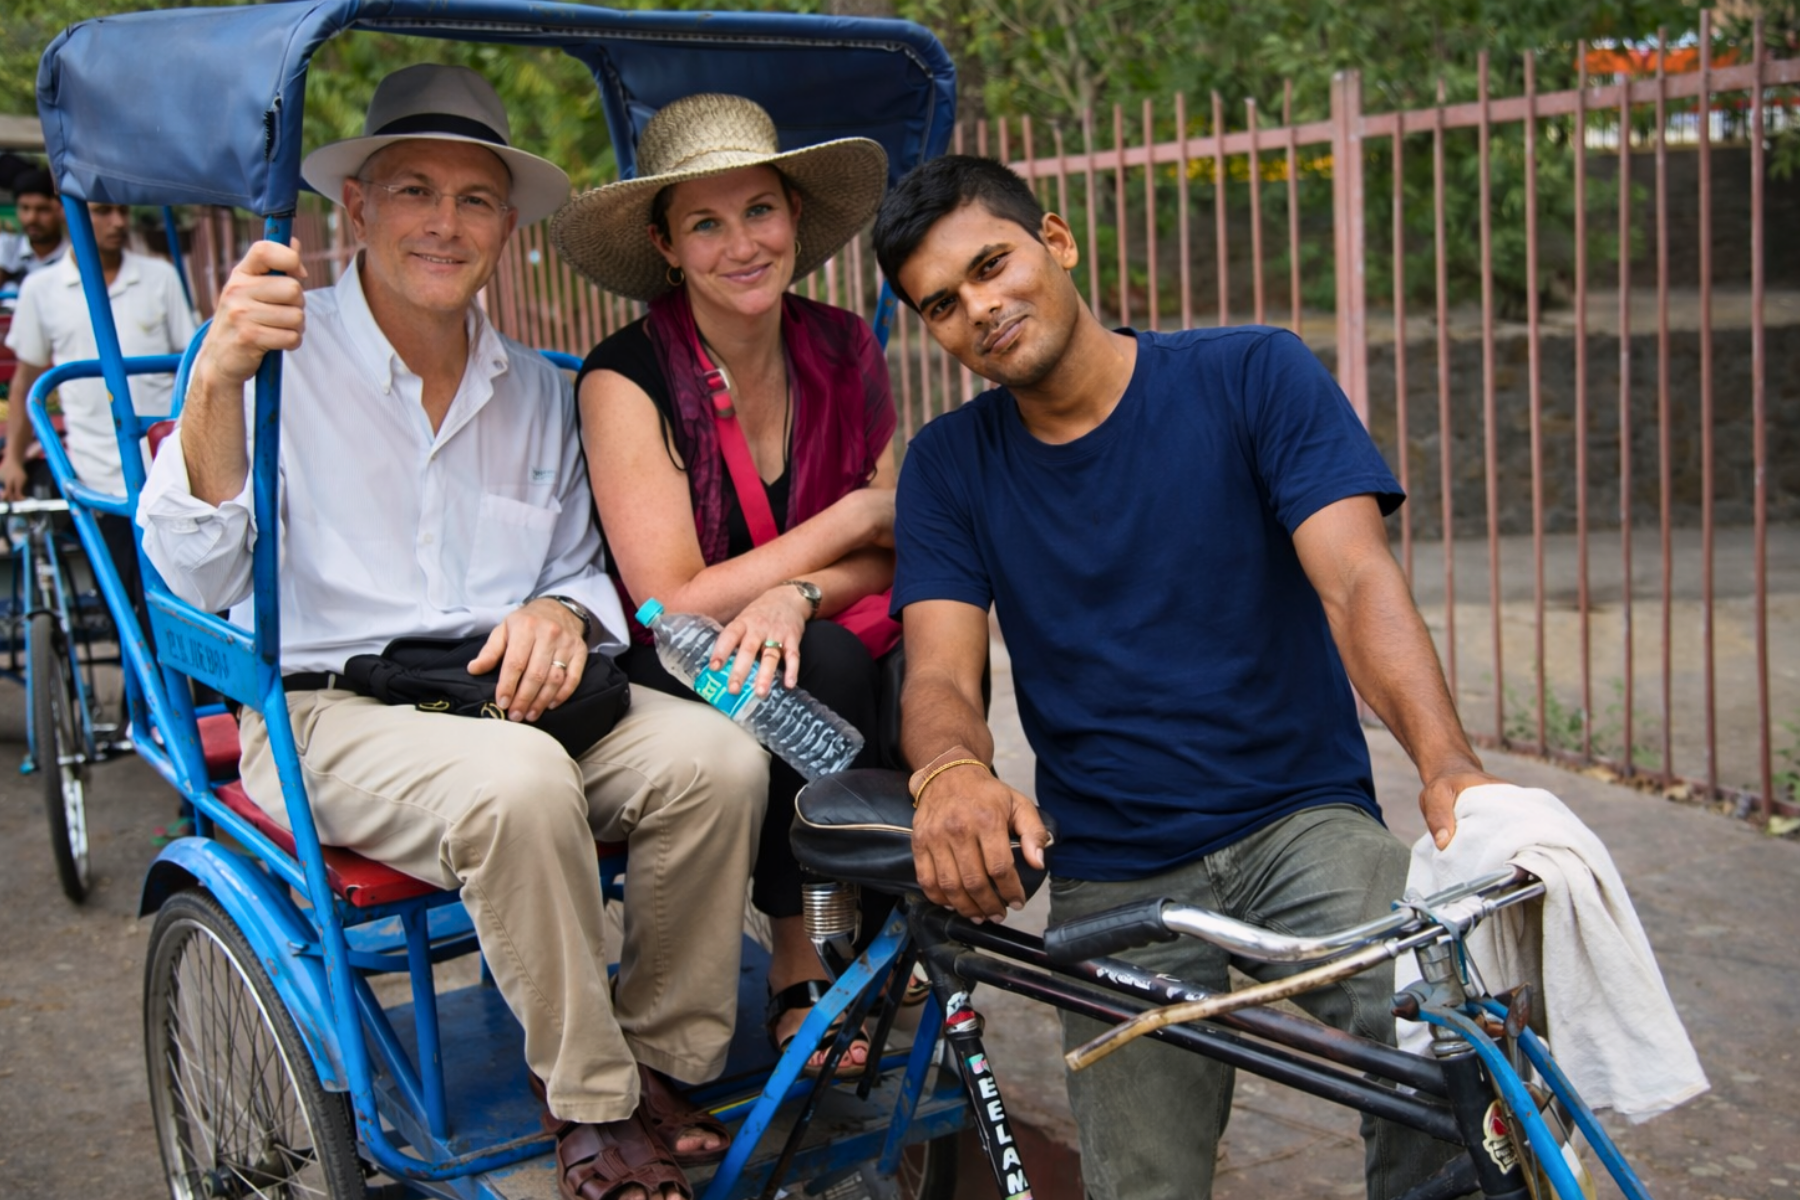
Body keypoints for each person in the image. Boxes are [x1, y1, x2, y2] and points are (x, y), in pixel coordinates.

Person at [139, 65, 767, 1200]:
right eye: (415, 190)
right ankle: (588, 1099)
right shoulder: (271, 359)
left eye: (475, 199)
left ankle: (660, 1064)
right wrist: (217, 378)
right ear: (358, 209)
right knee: (518, 784)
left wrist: (560, 611)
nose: (445, 221)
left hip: (508, 700)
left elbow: (586, 565)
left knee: (716, 758)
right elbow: (195, 567)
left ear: (509, 229)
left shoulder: (535, 387)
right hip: (326, 711)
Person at [871, 155, 1509, 1200]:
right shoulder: (950, 463)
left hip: (1299, 820)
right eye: (942, 304)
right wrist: (951, 773)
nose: (980, 309)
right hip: (1113, 867)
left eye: (993, 265)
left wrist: (1449, 769)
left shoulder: (1252, 373)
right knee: (1143, 1186)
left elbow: (1355, 579)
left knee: (1453, 1029)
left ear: (1059, 242)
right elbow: (940, 669)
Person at [550, 93, 898, 1072]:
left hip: (820, 619)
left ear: (794, 218)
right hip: (672, 655)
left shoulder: (845, 348)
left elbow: (893, 550)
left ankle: (894, 912)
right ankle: (802, 962)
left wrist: (798, 591)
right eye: (705, 221)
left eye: (760, 211)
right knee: (812, 663)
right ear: (666, 244)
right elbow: (669, 597)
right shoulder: (624, 377)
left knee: (928, 628)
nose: (740, 243)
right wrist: (844, 525)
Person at [4, 187, 195, 670]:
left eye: (122, 210)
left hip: (171, 476)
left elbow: (193, 371)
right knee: (130, 615)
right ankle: (153, 713)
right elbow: (28, 377)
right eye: (102, 210)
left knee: (191, 611)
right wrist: (12, 458)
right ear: (72, 215)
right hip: (99, 482)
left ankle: (206, 720)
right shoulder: (41, 290)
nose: (116, 221)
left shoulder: (159, 277)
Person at [0, 168, 68, 285]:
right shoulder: (6, 246)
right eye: (24, 208)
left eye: (43, 209)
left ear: (61, 211)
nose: (32, 218)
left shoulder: (73, 254)